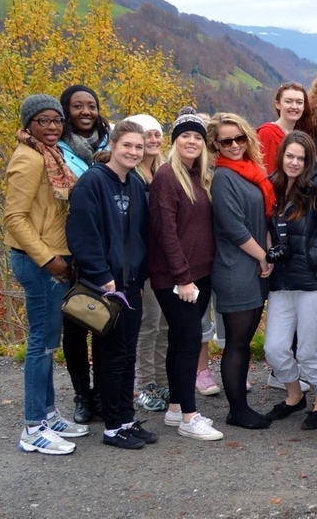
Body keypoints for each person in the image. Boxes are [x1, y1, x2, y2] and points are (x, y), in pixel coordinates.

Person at [5, 94, 87, 454]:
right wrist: (48, 259)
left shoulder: (49, 155)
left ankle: (50, 414)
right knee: (40, 345)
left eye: (56, 120)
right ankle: (33, 427)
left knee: (49, 342)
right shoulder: (28, 159)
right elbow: (15, 219)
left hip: (56, 260)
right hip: (40, 263)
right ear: (28, 125)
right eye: (43, 121)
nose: (53, 127)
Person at [65, 119, 153, 450]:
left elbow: (141, 236)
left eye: (139, 147)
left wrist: (140, 277)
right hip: (105, 286)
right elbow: (82, 234)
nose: (133, 151)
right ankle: (113, 426)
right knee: (114, 355)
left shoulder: (134, 184)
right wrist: (102, 276)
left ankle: (127, 419)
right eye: (127, 145)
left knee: (127, 353)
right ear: (113, 146)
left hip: (130, 285)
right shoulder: (92, 183)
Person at [147, 107, 224, 440]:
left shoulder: (199, 175)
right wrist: (182, 278)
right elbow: (165, 232)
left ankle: (176, 407)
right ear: (174, 142)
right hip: (178, 279)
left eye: (197, 137)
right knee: (190, 342)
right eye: (185, 136)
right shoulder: (167, 176)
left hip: (200, 274)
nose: (191, 141)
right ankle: (190, 419)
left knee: (181, 341)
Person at [263, 131, 317, 430]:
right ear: (281, 156)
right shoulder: (271, 186)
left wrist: (310, 257)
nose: (294, 163)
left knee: (309, 350)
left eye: (301, 158)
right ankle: (295, 396)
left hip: (315, 281)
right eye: (290, 156)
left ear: (309, 160)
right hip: (283, 281)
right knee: (274, 349)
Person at [208, 112, 275, 430]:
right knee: (236, 342)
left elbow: (260, 217)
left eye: (239, 138)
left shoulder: (251, 171)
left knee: (243, 340)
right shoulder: (223, 177)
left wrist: (267, 253)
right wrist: (263, 257)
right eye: (226, 141)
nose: (234, 145)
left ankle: (240, 406)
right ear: (215, 144)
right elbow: (234, 227)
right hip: (235, 268)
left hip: (251, 264)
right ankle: (237, 410)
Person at [57, 84, 109, 424]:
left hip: (108, 246)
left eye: (91, 105)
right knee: (75, 327)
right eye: (78, 106)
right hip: (68, 248)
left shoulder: (112, 144)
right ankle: (81, 394)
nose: (86, 111)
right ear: (67, 112)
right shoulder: (55, 150)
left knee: (105, 323)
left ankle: (103, 394)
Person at [126, 113, 170, 415]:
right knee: (149, 324)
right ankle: (145, 385)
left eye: (157, 134)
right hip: (143, 263)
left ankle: (162, 379)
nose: (153, 141)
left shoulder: (163, 171)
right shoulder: (131, 176)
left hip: (165, 261)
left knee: (166, 324)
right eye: (148, 135)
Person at [258, 82, 317, 175]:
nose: (294, 106)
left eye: (299, 102)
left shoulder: (301, 136)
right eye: (288, 101)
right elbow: (265, 173)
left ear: (304, 107)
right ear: (278, 104)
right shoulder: (267, 133)